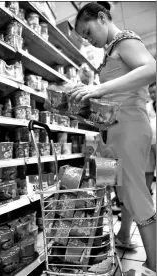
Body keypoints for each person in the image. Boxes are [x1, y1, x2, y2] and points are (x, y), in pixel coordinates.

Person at [69, 2, 156, 276]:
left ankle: (154, 265)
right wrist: (81, 111)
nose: (88, 39)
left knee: (135, 194)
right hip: (109, 133)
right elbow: (112, 101)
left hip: (129, 129)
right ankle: (112, 249)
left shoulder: (125, 40)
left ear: (103, 17)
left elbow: (151, 68)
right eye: (83, 37)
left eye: (88, 30)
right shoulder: (107, 55)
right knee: (113, 193)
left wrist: (99, 88)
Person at [146, 82, 156, 195]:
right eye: (150, 93)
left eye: (154, 92)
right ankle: (147, 189)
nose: (152, 95)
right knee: (149, 167)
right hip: (149, 141)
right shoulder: (148, 106)